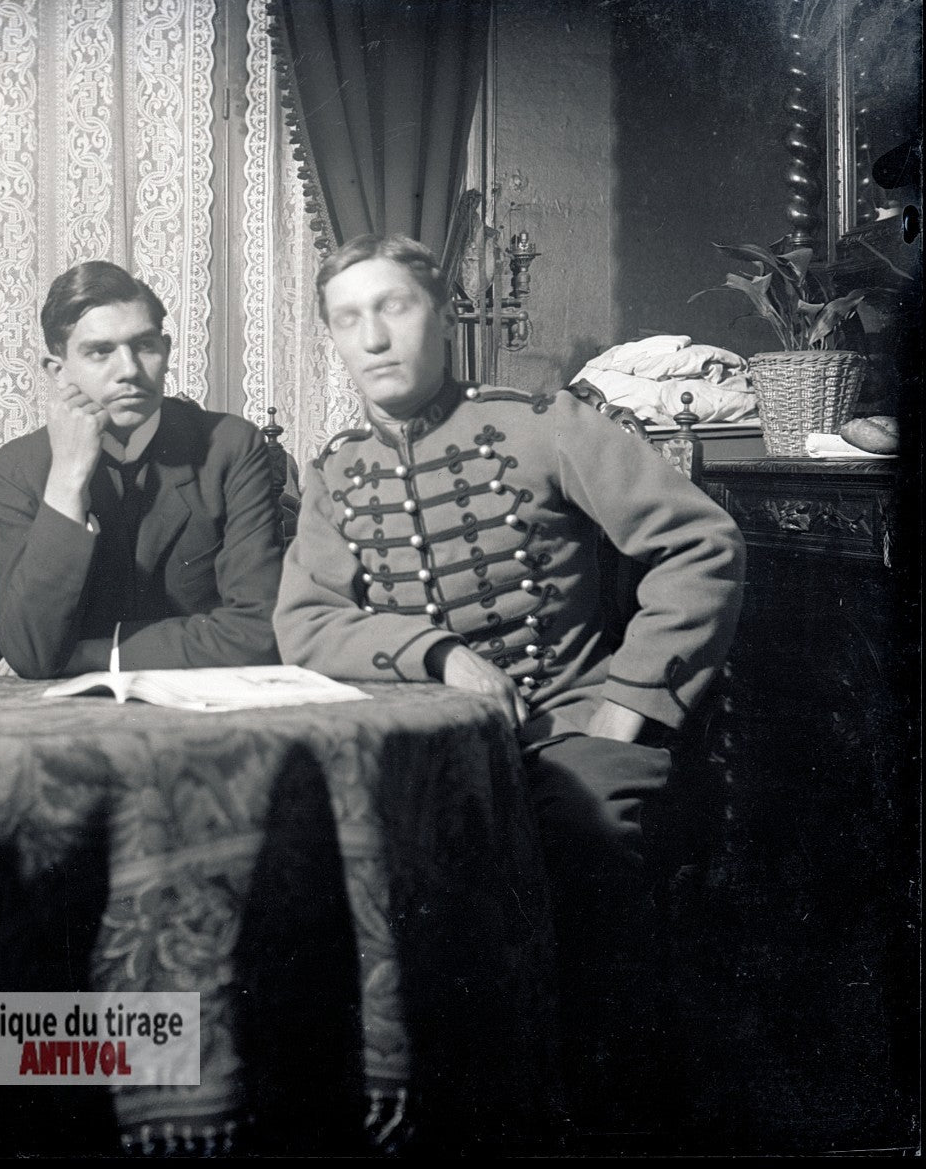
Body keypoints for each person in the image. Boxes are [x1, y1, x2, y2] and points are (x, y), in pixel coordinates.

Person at [273, 233, 746, 1139]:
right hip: (422, 750)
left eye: (395, 307)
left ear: (443, 316)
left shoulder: (543, 422)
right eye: (348, 319)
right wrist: (436, 652)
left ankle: (619, 1120)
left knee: (588, 856)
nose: (373, 337)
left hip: (571, 732)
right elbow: (307, 625)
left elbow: (703, 545)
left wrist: (630, 707)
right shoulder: (336, 470)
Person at [0, 260, 282, 678]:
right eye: (100, 351)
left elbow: (260, 631)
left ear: (165, 351)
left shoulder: (230, 447)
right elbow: (30, 651)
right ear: (59, 370)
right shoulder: (21, 466)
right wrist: (67, 480)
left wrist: (93, 657)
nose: (128, 370)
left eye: (144, 346)